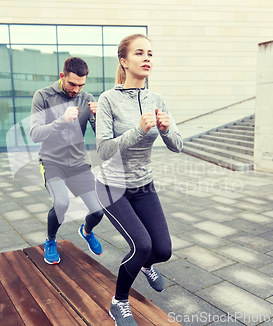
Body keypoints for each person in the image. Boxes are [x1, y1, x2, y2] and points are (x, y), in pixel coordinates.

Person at [95, 34, 183, 326]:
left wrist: (167, 129)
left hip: (143, 185)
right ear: (124, 61)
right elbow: (104, 150)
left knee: (163, 251)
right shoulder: (108, 99)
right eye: (139, 53)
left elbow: (177, 145)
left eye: (150, 54)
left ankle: (146, 266)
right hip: (111, 187)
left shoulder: (157, 99)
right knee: (141, 245)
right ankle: (118, 301)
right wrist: (137, 130)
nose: (147, 58)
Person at [30, 57, 104, 264]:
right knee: (61, 204)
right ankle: (51, 240)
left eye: (81, 85)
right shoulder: (43, 96)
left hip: (79, 164)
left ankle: (86, 232)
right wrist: (62, 120)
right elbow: (35, 134)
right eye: (72, 84)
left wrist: (100, 118)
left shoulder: (86, 98)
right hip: (52, 162)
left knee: (98, 210)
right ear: (62, 76)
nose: (77, 90)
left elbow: (101, 135)